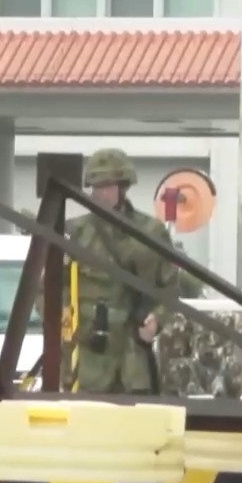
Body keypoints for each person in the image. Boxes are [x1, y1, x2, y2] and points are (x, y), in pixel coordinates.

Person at [63, 148, 181, 395]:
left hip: (132, 360)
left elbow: (170, 289)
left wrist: (156, 320)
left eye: (107, 186)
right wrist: (67, 325)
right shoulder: (76, 232)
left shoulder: (150, 232)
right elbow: (46, 289)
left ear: (123, 187)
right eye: (95, 186)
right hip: (87, 359)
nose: (100, 193)